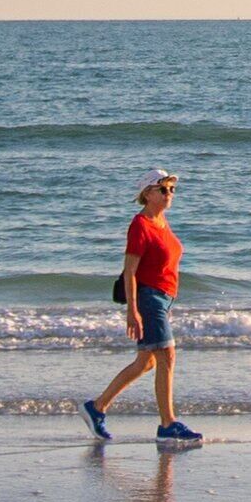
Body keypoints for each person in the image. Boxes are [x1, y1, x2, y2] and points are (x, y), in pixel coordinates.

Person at [83, 171, 199, 445]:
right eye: (163, 189)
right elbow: (130, 272)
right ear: (147, 193)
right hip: (149, 298)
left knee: (146, 362)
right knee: (167, 356)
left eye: (171, 189)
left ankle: (96, 408)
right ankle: (168, 424)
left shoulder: (161, 222)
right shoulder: (140, 224)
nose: (169, 194)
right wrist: (132, 310)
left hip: (163, 299)